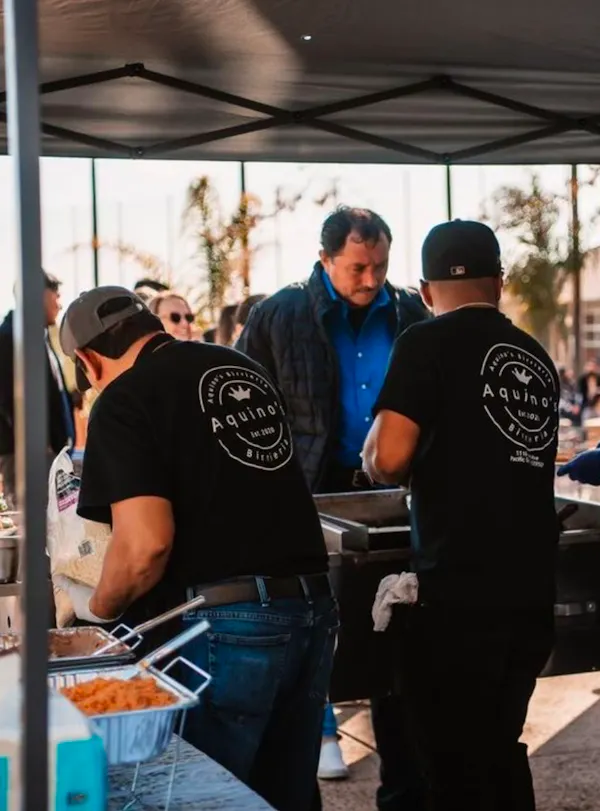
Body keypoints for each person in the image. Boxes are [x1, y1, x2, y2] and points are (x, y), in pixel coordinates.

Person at [53, 286, 337, 811]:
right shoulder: (239, 367)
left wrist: (98, 610)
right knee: (285, 794)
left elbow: (144, 546)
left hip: (227, 626)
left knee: (203, 797)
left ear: (88, 361)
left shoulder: (124, 398)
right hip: (312, 609)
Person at [363, 219, 559, 811]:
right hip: (530, 594)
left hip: (458, 597)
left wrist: (372, 457)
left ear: (425, 291)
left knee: (452, 768)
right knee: (499, 749)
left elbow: (389, 458)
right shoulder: (534, 356)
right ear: (499, 282)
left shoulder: (423, 343)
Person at [237, 206, 428, 807]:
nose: (371, 280)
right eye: (357, 268)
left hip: (395, 492)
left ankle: (403, 784)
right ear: (324, 259)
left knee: (396, 634)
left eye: (380, 266)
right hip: (306, 493)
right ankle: (317, 742)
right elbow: (241, 408)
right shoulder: (278, 314)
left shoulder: (410, 311)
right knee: (310, 632)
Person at [0, 271, 76, 507]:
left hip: (46, 456)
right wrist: (36, 443)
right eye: (56, 295)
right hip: (27, 457)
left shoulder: (36, 335)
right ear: (40, 295)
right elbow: (6, 399)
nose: (59, 304)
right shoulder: (9, 337)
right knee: (28, 521)